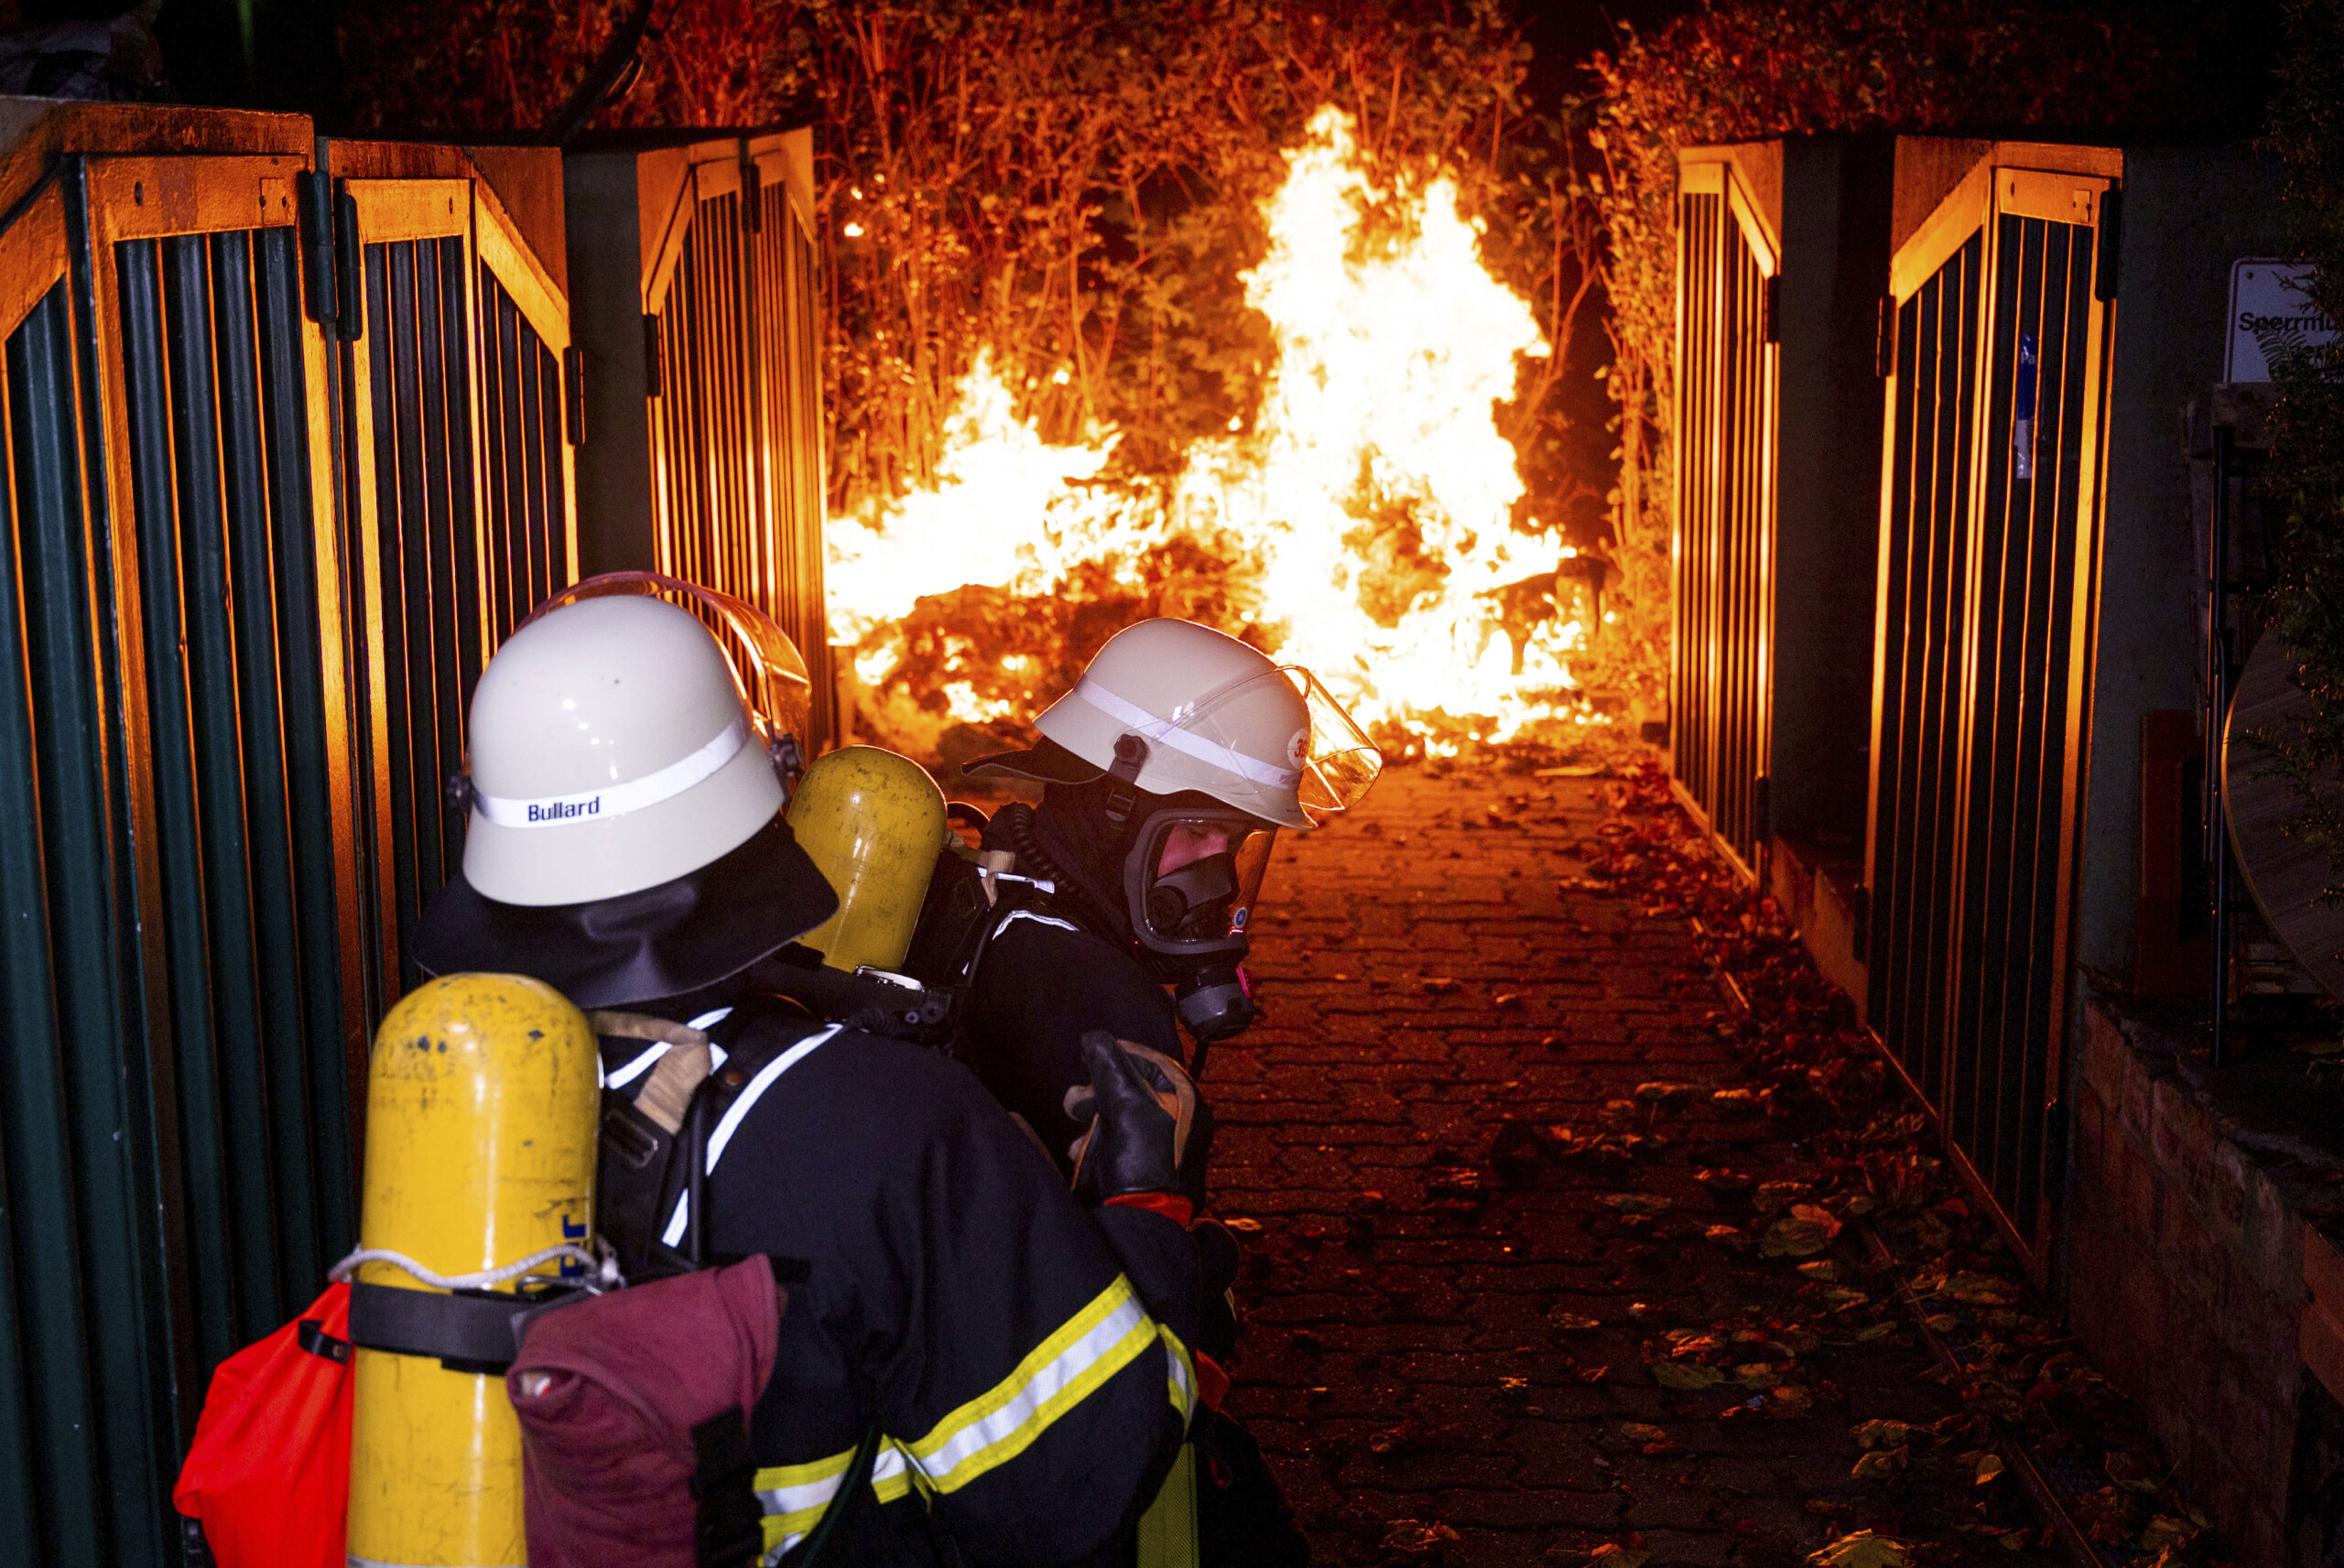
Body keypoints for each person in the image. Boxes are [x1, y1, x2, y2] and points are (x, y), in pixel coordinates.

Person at [410, 590, 1206, 1566]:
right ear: (767, 797)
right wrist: (1144, 1208)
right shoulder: (885, 1125)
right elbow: (1076, 1486)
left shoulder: (442, 1097)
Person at [906, 619, 1382, 1568]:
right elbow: (1123, 1296)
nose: (1214, 871)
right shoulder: (1093, 998)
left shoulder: (1011, 896)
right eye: (1195, 828)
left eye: (1233, 840)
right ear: (1109, 803)